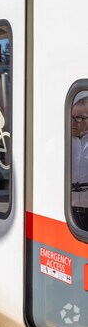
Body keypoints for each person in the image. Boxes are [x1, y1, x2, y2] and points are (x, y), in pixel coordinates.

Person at [71, 96, 88, 229]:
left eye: (79, 118)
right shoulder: (62, 142)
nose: (73, 122)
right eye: (72, 117)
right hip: (68, 211)